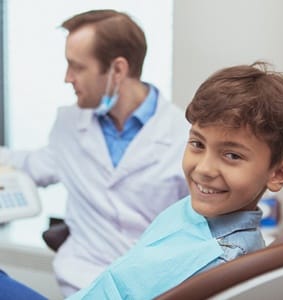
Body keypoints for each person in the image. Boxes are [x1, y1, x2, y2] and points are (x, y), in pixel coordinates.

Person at [66, 61, 283, 299]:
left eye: (232, 155)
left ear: (278, 174)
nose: (204, 169)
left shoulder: (221, 262)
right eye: (197, 144)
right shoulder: (195, 211)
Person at [0, 9, 189, 296]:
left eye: (76, 67)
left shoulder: (183, 137)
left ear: (118, 70)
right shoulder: (69, 124)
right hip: (81, 284)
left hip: (151, 289)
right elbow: (30, 164)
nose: (67, 78)